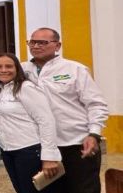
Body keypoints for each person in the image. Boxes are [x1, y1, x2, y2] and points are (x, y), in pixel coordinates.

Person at [22, 28, 109, 193]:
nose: (36, 46)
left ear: (58, 45)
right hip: (40, 145)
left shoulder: (74, 69)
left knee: (84, 189)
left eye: (43, 42)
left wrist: (94, 134)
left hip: (76, 143)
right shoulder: (22, 70)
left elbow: (96, 103)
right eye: (33, 42)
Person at [0, 53, 62, 193]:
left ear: (17, 69)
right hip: (8, 151)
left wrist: (49, 157)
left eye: (9, 66)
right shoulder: (1, 90)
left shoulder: (26, 87)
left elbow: (46, 121)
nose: (3, 70)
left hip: (29, 150)